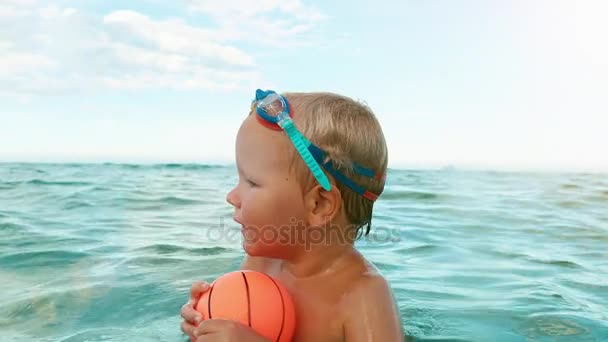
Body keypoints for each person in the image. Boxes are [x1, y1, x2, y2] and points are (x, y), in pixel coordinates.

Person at [180, 89, 404, 341]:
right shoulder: (261, 264)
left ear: (319, 204)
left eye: (252, 182)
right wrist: (205, 319)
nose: (232, 196)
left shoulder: (363, 296)